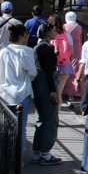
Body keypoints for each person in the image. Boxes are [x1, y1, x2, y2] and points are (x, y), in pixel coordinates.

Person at [0, 23, 36, 158]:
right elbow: (33, 72)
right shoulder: (26, 51)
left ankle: (4, 154)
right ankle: (18, 157)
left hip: (5, 92)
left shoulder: (3, 51)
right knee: (20, 127)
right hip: (21, 92)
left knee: (6, 125)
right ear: (22, 36)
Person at [30, 21, 62, 165]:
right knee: (50, 118)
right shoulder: (48, 48)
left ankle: (37, 151)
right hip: (46, 83)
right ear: (48, 32)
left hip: (37, 83)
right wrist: (53, 91)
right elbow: (49, 71)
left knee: (40, 118)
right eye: (54, 30)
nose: (56, 32)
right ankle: (46, 153)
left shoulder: (36, 47)